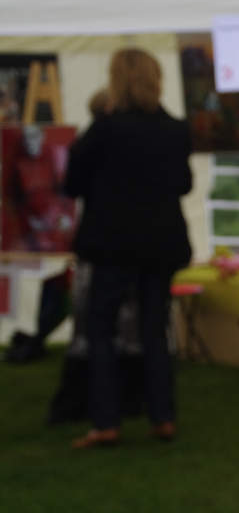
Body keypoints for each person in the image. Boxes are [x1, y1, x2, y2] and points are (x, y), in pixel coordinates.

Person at [64, 48, 193, 448]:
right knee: (155, 329)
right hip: (160, 244)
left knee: (101, 329)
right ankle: (162, 416)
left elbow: (72, 183)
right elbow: (184, 183)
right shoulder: (174, 129)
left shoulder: (104, 129)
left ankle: (106, 421)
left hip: (112, 245)